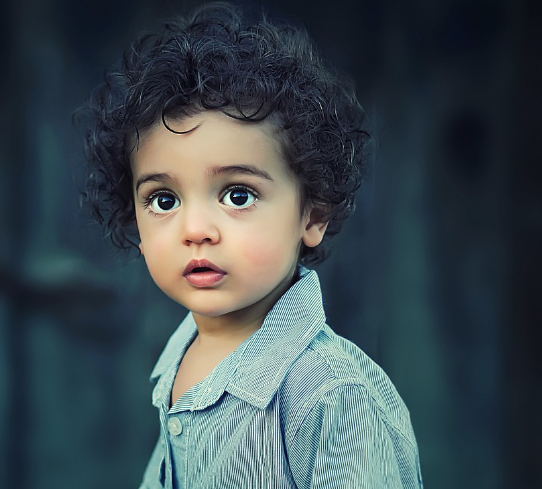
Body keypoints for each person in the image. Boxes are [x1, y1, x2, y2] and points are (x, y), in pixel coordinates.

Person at [78, 2, 422, 488]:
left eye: (237, 195)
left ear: (313, 215)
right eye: (163, 199)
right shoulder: (179, 362)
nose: (195, 229)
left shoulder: (331, 396)